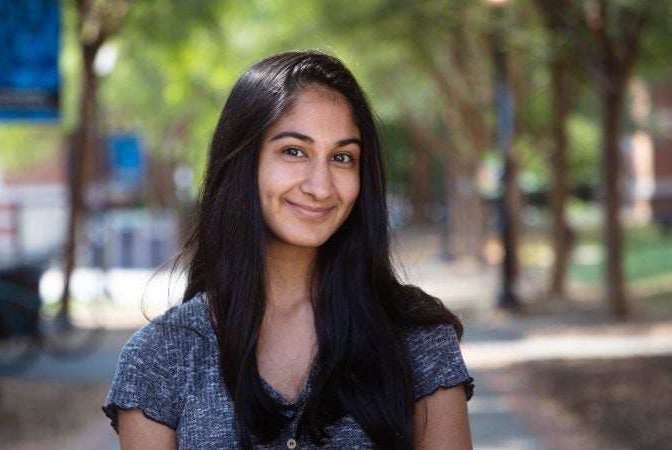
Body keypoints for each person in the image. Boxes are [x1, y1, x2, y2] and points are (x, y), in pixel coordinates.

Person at [103, 50, 474, 449]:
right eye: (294, 151)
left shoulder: (417, 338)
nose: (320, 186)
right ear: (244, 162)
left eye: (342, 157)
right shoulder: (161, 358)